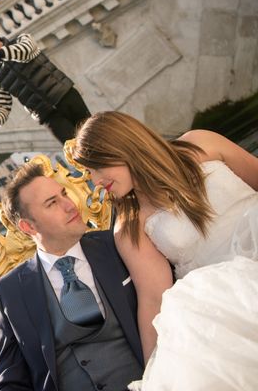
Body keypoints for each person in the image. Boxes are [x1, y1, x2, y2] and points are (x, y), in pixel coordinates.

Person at [71, 111, 258, 387]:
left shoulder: (201, 144)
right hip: (223, 298)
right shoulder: (130, 225)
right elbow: (153, 300)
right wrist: (154, 372)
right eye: (88, 172)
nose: (95, 181)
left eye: (96, 167)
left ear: (120, 147)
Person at [0, 159, 144, 391]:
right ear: (28, 227)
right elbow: (12, 377)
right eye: (52, 203)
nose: (70, 205)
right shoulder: (10, 290)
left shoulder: (117, 245)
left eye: (64, 193)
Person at [0, 23, 91, 143]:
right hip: (47, 116)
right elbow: (1, 104)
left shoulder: (23, 40)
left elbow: (26, 51)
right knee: (75, 152)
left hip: (64, 96)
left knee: (96, 137)